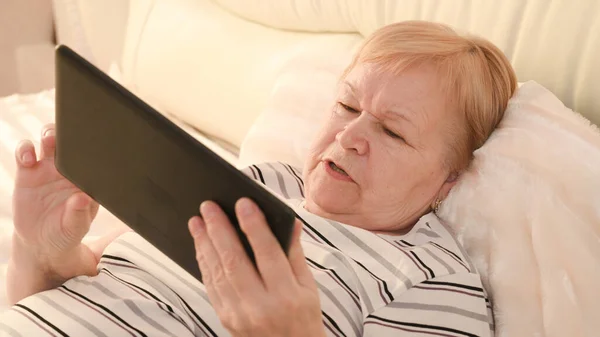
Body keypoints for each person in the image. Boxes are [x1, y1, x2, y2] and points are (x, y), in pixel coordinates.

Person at [2, 21, 516, 336]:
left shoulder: (433, 279)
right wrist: (43, 251)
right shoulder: (257, 182)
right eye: (347, 105)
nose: (350, 136)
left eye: (393, 132)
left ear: (449, 180)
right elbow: (61, 299)